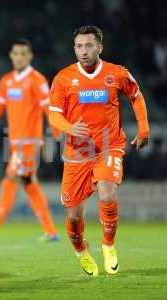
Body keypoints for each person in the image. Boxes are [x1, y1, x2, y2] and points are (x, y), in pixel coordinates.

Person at [49, 25, 150, 276]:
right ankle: (81, 250)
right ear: (74, 49)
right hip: (77, 154)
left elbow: (136, 96)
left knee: (106, 194)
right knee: (73, 217)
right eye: (79, 46)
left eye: (89, 45)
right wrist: (71, 128)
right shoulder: (63, 78)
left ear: (100, 47)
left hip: (110, 145)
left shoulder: (116, 73)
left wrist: (144, 128)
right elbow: (53, 116)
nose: (84, 51)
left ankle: (109, 245)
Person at [0, 39, 60, 242]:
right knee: (30, 185)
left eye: (23, 53)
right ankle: (51, 231)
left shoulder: (37, 80)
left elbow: (48, 107)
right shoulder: (6, 81)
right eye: (16, 53)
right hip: (15, 143)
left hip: (30, 142)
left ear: (30, 56)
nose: (19, 57)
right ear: (11, 56)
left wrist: (56, 134)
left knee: (10, 180)